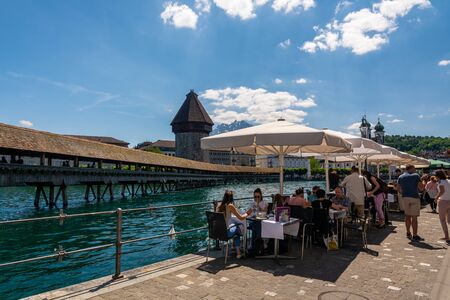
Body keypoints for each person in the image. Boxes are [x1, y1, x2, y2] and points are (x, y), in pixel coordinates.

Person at [217, 190, 253, 258]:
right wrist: (248, 213)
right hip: (226, 234)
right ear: (231, 198)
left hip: (218, 233)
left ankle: (234, 248)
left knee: (234, 228)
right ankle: (238, 252)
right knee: (238, 230)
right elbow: (241, 218)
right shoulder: (230, 205)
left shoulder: (219, 205)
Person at [398, 164, 424, 241]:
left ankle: (408, 232)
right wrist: (423, 182)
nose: (415, 170)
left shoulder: (401, 177)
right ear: (411, 168)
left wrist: (403, 193)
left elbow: (398, 188)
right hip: (414, 197)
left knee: (407, 216)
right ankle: (415, 235)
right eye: (414, 168)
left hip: (405, 197)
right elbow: (421, 188)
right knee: (414, 217)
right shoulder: (416, 175)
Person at [435, 170, 450, 243]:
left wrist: (436, 197)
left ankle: (447, 237)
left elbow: (442, 191)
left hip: (443, 201)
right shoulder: (448, 181)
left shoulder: (441, 182)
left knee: (442, 220)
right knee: (449, 220)